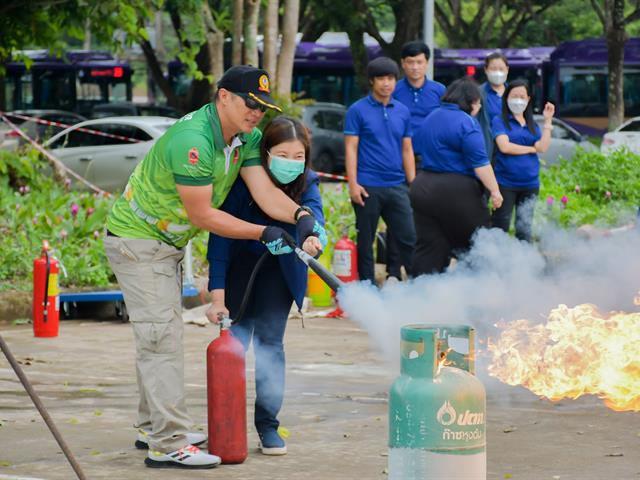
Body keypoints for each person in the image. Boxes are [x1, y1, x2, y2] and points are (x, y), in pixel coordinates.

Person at [103, 65, 324, 469]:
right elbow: (203, 214)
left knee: (158, 336)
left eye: (262, 106)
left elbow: (264, 192)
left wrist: (300, 216)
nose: (256, 113)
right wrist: (262, 232)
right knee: (161, 340)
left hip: (164, 243)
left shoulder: (246, 138)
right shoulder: (195, 140)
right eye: (249, 104)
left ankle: (152, 425)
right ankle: (167, 443)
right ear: (223, 96)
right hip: (138, 240)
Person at [206, 116, 324, 456]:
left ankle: (268, 425)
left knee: (271, 347)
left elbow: (312, 213)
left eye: (298, 155)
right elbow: (220, 242)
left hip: (279, 277)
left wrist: (313, 236)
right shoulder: (242, 185)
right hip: (239, 275)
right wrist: (218, 296)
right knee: (234, 349)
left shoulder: (307, 182)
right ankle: (227, 424)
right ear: (266, 153)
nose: (291, 162)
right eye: (283, 154)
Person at [410, 77, 504, 275]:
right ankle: (477, 294)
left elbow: (416, 148)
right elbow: (481, 165)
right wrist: (495, 191)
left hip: (423, 186)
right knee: (478, 244)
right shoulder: (466, 122)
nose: (479, 106)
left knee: (430, 247)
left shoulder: (430, 117)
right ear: (471, 102)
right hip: (456, 190)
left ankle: (420, 295)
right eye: (478, 102)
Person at [344, 56, 417, 284]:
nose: (387, 83)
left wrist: (413, 184)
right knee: (366, 241)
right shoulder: (357, 110)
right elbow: (351, 148)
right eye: (381, 79)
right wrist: (353, 183)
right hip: (367, 186)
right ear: (372, 81)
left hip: (397, 185)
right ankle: (368, 289)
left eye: (391, 78)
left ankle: (419, 286)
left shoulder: (403, 111)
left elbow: (407, 149)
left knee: (409, 237)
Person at [386, 40, 446, 282]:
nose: (415, 67)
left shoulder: (440, 91)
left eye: (419, 62)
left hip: (432, 163)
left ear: (427, 63)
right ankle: (392, 271)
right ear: (403, 64)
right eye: (410, 62)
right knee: (397, 215)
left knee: (433, 215)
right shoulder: (394, 90)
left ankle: (431, 270)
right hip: (399, 163)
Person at [491, 79, 554, 241]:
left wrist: (548, 122)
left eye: (522, 96)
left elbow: (543, 147)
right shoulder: (500, 121)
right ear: (506, 98)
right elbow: (504, 146)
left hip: (530, 184)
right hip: (506, 183)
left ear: (528, 100)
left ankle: (524, 264)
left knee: (524, 229)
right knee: (500, 227)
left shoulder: (532, 124)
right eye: (514, 96)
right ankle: (495, 263)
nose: (518, 100)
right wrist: (531, 149)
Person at [478, 52, 510, 159]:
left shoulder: (514, 93)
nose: (498, 72)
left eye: (501, 69)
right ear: (486, 70)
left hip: (512, 148)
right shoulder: (478, 93)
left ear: (507, 70)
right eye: (493, 69)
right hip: (488, 150)